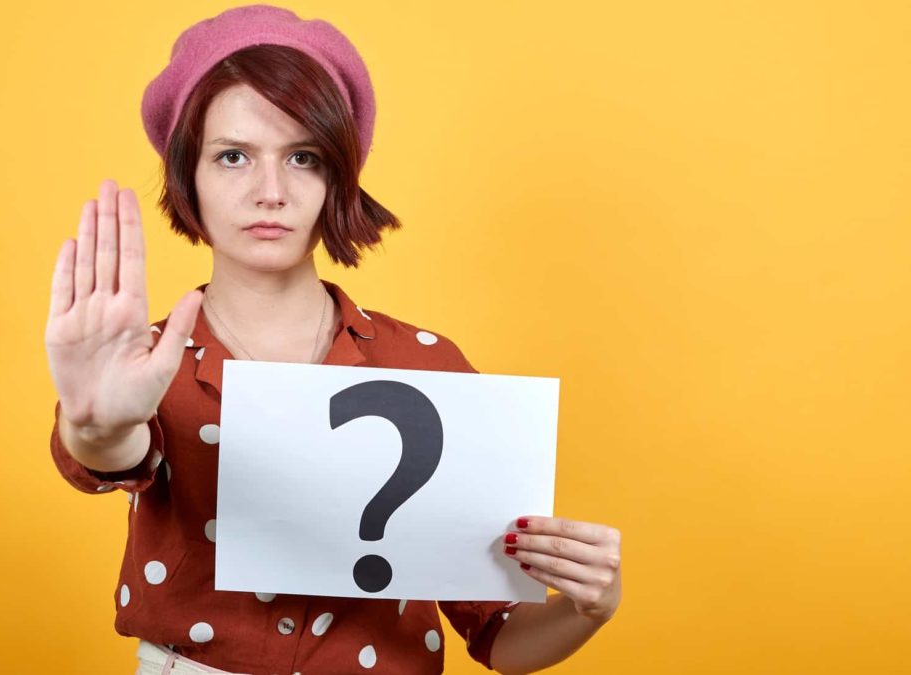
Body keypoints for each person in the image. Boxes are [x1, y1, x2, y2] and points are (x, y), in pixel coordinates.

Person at [44, 5, 622, 674]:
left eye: (303, 157)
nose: (271, 191)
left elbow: (499, 637)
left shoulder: (428, 369)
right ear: (188, 176)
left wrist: (588, 608)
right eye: (233, 156)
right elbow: (113, 449)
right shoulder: (142, 366)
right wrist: (96, 425)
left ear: (337, 175)